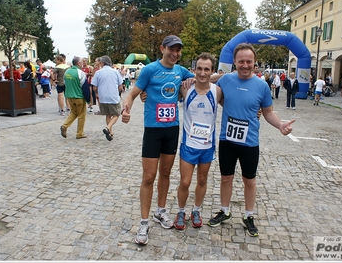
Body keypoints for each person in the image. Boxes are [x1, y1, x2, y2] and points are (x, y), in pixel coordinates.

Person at [207, 43, 295, 237]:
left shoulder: (262, 85)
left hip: (250, 142)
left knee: (250, 181)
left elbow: (268, 112)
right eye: (241, 61)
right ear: (234, 62)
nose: (245, 65)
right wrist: (220, 75)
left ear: (255, 63)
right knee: (226, 178)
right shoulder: (226, 80)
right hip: (227, 140)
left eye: (249, 62)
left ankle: (248, 216)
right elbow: (204, 81)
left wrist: (281, 125)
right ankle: (224, 210)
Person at [121, 35, 196, 245]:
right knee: (148, 176)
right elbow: (132, 94)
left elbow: (204, 77)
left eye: (178, 50)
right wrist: (126, 109)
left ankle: (160, 211)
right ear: (162, 48)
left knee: (165, 173)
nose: (175, 53)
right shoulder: (150, 70)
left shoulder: (181, 71)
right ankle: (143, 222)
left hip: (172, 129)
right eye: (171, 49)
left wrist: (231, 76)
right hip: (153, 130)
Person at [173, 52, 223, 230]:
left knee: (202, 180)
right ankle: (180, 211)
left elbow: (235, 106)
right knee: (185, 182)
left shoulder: (217, 91)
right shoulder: (185, 88)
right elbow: (162, 93)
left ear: (212, 71)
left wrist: (257, 111)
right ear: (194, 70)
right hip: (189, 144)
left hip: (207, 146)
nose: (202, 73)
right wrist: (143, 96)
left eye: (206, 69)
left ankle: (196, 210)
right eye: (199, 69)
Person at [91, 55, 123, 141]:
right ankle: (108, 127)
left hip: (103, 98)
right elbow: (120, 86)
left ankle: (110, 132)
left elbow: (94, 88)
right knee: (117, 114)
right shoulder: (115, 72)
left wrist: (99, 93)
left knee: (108, 114)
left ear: (102, 63)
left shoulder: (98, 73)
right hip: (113, 97)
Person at [60, 56, 87, 139]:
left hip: (69, 96)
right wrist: (88, 99)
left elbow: (64, 83)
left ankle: (65, 125)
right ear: (78, 63)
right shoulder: (80, 73)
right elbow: (84, 86)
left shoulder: (67, 72)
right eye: (82, 62)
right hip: (79, 96)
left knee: (74, 113)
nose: (83, 63)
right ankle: (80, 133)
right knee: (81, 115)